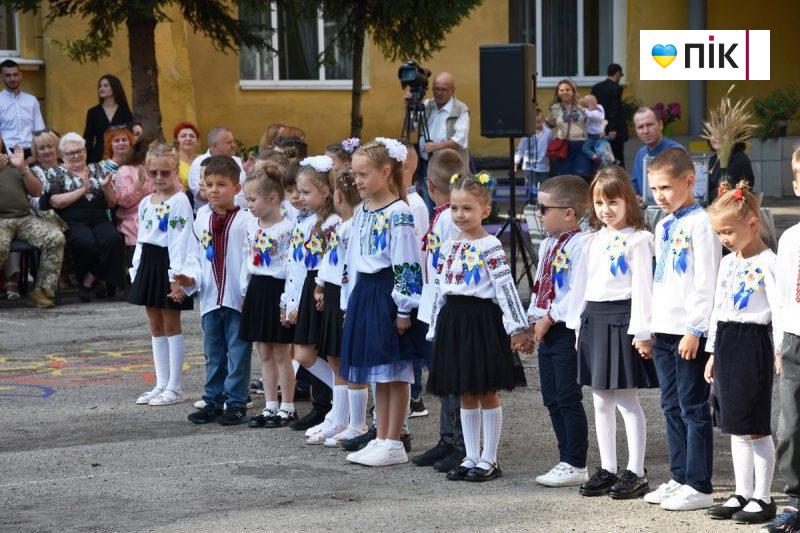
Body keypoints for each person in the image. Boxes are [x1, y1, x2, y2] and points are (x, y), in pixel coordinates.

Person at [425, 171, 529, 482]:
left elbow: (505, 287)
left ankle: (489, 459)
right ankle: (470, 455)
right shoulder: (447, 246)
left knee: (485, 390)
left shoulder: (491, 245)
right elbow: (439, 287)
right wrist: (433, 327)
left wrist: (516, 328)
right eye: (455, 208)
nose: (460, 215)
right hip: (453, 322)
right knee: (464, 391)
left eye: (467, 208)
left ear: (485, 211)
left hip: (481, 321)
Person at [566, 165, 658, 499]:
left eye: (614, 202)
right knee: (599, 397)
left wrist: (642, 330)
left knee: (625, 398)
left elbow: (644, 287)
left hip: (623, 319)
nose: (607, 210)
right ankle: (607, 467)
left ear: (629, 202)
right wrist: (577, 325)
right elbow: (581, 287)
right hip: (594, 318)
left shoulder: (640, 239)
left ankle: (635, 470)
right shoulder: (590, 240)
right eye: (600, 202)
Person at [338, 138, 425, 467]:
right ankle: (381, 436)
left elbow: (407, 260)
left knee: (396, 370)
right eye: (355, 174)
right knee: (378, 371)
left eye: (363, 174)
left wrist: (404, 307)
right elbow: (353, 257)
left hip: (388, 292)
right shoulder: (362, 210)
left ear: (386, 172)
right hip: (366, 291)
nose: (357, 181)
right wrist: (349, 299)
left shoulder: (399, 212)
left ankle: (393, 440)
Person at [644, 148, 721, 511]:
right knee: (670, 405)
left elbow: (706, 281)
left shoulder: (701, 223)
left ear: (689, 181)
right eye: (654, 188)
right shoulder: (663, 224)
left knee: (693, 408)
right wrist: (650, 326)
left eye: (666, 188)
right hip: (664, 328)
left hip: (688, 331)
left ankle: (700, 483)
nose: (659, 195)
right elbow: (660, 280)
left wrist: (695, 329)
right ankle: (678, 477)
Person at [703, 181, 781, 525]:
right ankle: (742, 491)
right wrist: (712, 351)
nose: (724, 239)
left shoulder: (768, 262)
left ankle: (763, 497)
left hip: (754, 344)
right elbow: (719, 308)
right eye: (719, 233)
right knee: (734, 424)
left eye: (729, 232)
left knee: (754, 424)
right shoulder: (728, 263)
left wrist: (779, 349)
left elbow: (779, 309)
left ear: (752, 224)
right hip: (728, 343)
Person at [176, 155, 254, 425]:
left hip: (237, 299)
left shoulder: (246, 221)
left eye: (221, 184)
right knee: (213, 353)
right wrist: (189, 278)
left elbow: (249, 259)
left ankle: (236, 403)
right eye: (209, 184)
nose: (214, 190)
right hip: (210, 298)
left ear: (237, 188)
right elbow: (195, 256)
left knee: (238, 352)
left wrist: (247, 291)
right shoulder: (201, 219)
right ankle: (212, 400)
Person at [525, 175, 590, 488]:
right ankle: (564, 457)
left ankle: (576, 461)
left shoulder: (582, 244)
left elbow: (577, 292)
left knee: (567, 396)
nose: (539, 214)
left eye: (544, 208)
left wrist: (549, 317)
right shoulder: (549, 244)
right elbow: (541, 285)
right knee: (551, 396)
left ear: (568, 213)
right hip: (546, 329)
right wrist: (533, 317)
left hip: (565, 331)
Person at [127, 142, 194, 406]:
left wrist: (175, 277)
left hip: (168, 264)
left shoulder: (179, 202)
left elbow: (180, 240)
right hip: (149, 264)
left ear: (176, 170)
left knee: (171, 325)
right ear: (146, 171)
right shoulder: (145, 203)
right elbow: (141, 239)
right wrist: (136, 270)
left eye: (165, 173)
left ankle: (174, 387)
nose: (158, 178)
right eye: (153, 172)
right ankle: (161, 383)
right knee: (155, 326)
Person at [413, 148, 467, 472]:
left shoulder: (449, 218)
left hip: (446, 302)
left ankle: (459, 442)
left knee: (450, 374)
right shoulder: (443, 215)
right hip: (436, 300)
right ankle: (447, 437)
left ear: (429, 187)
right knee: (441, 371)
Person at [278, 156, 341, 429]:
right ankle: (338, 401)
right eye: (297, 192)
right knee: (305, 354)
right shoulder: (303, 221)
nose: (299, 198)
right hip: (306, 288)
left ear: (325, 192)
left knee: (322, 353)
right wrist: (289, 301)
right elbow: (294, 265)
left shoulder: (331, 222)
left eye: (306, 192)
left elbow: (330, 262)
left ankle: (339, 404)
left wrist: (322, 289)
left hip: (322, 286)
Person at [306, 168, 361, 445]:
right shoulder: (342, 225)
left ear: (338, 196)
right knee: (334, 358)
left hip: (343, 295)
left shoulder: (352, 227)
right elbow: (330, 259)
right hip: (332, 291)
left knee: (342, 360)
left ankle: (348, 420)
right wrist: (319, 284)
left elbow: (347, 266)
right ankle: (339, 418)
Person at [239, 165, 295, 428]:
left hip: (278, 290)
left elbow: (291, 267)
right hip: (257, 290)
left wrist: (289, 301)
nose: (249, 205)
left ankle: (288, 406)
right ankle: (270, 405)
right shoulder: (251, 225)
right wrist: (243, 289)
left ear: (272, 198)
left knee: (282, 353)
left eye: (252, 199)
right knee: (264, 352)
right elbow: (246, 259)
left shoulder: (288, 228)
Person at [46, 132, 124, 303]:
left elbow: (111, 203)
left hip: (99, 218)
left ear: (85, 152)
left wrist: (106, 188)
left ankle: (88, 281)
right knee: (85, 242)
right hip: (72, 220)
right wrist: (82, 190)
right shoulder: (56, 172)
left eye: (79, 151)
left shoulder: (98, 169)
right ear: (62, 155)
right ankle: (93, 282)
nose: (76, 156)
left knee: (113, 240)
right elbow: (55, 202)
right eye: (70, 153)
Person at [766, 147, 800, 532]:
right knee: (791, 423)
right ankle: (795, 497)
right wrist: (778, 343)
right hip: (794, 339)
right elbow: (781, 296)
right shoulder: (790, 239)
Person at [0, 137, 64, 308]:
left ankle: (42, 291)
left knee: (55, 237)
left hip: (23, 218)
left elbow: (36, 192)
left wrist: (23, 169)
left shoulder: (14, 163)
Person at [407, 72, 470, 211]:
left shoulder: (461, 109)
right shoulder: (427, 105)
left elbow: (459, 140)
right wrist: (410, 107)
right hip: (426, 164)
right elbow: (412, 127)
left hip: (450, 167)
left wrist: (437, 146)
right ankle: (431, 228)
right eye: (436, 89)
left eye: (443, 89)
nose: (439, 93)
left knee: (449, 203)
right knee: (429, 202)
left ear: (452, 90)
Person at [399, 137, 430, 418]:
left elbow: (417, 249)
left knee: (413, 345)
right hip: (405, 284)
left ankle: (415, 395)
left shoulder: (415, 204)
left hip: (415, 285)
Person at [187, 127, 247, 211]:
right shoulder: (199, 163)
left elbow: (245, 187)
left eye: (233, 142)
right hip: (210, 215)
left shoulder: (237, 160)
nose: (234, 145)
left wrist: (250, 172)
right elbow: (202, 195)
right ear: (214, 145)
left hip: (242, 213)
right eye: (229, 142)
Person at [631, 107, 685, 198]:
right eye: (640, 127)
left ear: (660, 125)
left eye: (649, 125)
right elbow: (635, 186)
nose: (645, 131)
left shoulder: (676, 151)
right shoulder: (641, 153)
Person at [114, 134, 156, 251]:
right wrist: (138, 184)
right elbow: (123, 201)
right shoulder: (125, 170)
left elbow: (179, 191)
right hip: (134, 218)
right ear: (143, 150)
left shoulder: (162, 169)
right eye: (153, 150)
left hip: (160, 214)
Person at [545, 79, 593, 180]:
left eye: (567, 89)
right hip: (564, 147)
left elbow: (594, 120)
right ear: (558, 93)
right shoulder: (555, 108)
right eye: (561, 90)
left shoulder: (582, 106)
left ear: (573, 91)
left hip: (583, 146)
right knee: (565, 179)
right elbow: (547, 125)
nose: (565, 92)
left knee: (581, 177)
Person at [0, 59, 45, 159]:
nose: (12, 79)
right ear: (1, 77)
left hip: (31, 154)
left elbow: (39, 131)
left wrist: (36, 155)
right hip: (6, 154)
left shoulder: (32, 100)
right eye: (8, 75)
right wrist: (8, 156)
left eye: (15, 74)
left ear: (20, 75)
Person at [83, 75, 133, 163]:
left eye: (106, 86)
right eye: (100, 86)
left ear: (114, 88)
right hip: (97, 156)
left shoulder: (124, 111)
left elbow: (129, 136)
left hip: (120, 156)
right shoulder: (93, 112)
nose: (101, 88)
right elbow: (88, 137)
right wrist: (85, 159)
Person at [592, 64, 628, 167]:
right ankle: (620, 179)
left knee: (602, 155)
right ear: (617, 73)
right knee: (617, 156)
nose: (620, 77)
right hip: (613, 129)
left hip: (598, 127)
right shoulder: (616, 88)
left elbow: (593, 107)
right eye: (621, 75)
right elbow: (614, 109)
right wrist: (613, 129)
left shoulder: (596, 87)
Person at [514, 108, 553, 204]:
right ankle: (530, 209)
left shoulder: (548, 132)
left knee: (544, 190)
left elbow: (552, 145)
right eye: (534, 122)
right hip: (529, 166)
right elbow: (521, 149)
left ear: (543, 120)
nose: (537, 125)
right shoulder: (527, 133)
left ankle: (542, 210)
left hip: (544, 166)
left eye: (539, 122)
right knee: (531, 190)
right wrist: (515, 162)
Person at [578, 95, 607, 163]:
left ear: (591, 104)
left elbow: (589, 114)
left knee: (585, 149)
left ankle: (596, 158)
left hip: (594, 135)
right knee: (597, 147)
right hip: (598, 133)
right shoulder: (599, 107)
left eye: (587, 106)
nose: (586, 108)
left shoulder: (595, 114)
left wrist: (582, 109)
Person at [173, 121, 200, 193]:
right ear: (176, 140)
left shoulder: (204, 159)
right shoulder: (172, 162)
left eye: (192, 136)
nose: (188, 139)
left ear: (197, 142)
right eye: (183, 136)